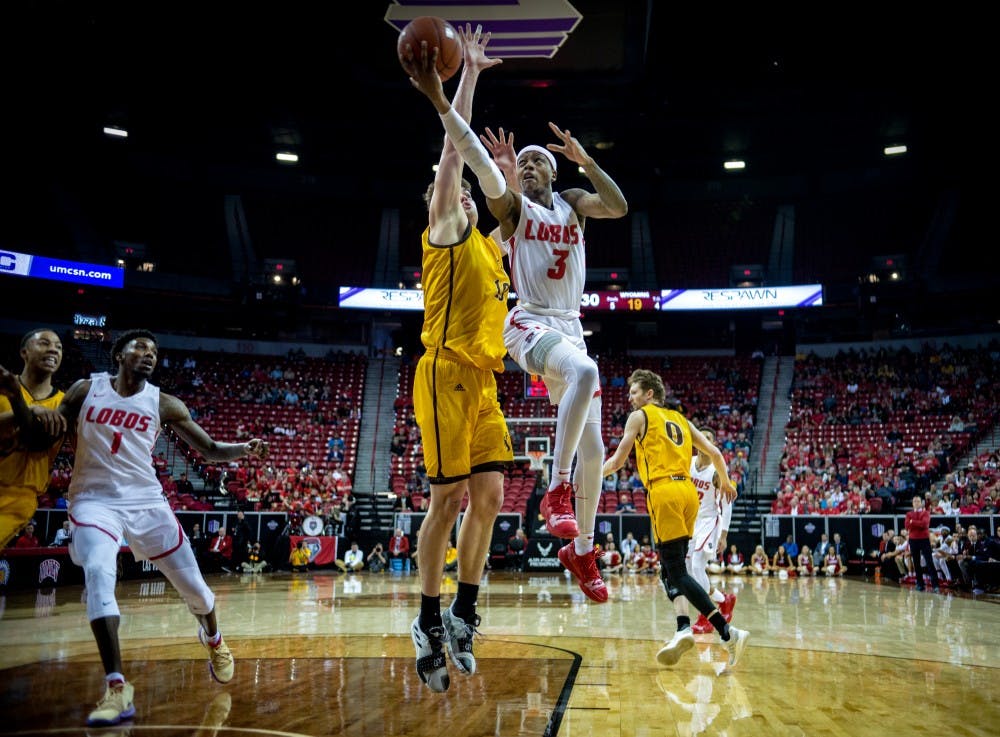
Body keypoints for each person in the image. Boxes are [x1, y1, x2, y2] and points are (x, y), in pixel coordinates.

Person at [404, 27, 628, 609]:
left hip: (570, 324)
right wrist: (449, 100)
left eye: (535, 161)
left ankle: (581, 548)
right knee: (585, 377)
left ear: (554, 171)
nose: (526, 166)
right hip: (528, 323)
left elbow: (620, 205)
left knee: (598, 450)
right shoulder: (512, 208)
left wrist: (586, 161)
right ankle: (555, 490)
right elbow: (470, 158)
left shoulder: (574, 203)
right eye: (520, 163)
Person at [52, 328, 268, 726]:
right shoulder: (85, 390)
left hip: (148, 502)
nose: (149, 355)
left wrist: (244, 449)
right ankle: (117, 687)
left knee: (199, 595)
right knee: (99, 571)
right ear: (118, 354)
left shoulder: (164, 402)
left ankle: (214, 639)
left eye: (154, 351)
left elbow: (209, 450)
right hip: (93, 500)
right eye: (140, 347)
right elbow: (53, 433)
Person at [400, 25, 513, 694]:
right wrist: (465, 75)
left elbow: (511, 204)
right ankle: (425, 619)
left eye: (474, 195)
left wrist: (505, 173)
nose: (468, 195)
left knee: (492, 496)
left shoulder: (492, 246)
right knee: (445, 502)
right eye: (459, 191)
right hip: (442, 373)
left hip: (483, 381)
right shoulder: (444, 230)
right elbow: (453, 150)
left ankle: (464, 611)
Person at [602, 369, 748, 669]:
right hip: (688, 493)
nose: (630, 398)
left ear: (649, 394)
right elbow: (716, 453)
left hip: (664, 491)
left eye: (634, 392)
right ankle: (682, 627)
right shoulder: (682, 419)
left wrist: (588, 476)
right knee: (669, 570)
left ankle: (727, 632)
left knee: (679, 573)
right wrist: (727, 482)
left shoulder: (640, 416)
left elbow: (617, 461)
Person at [0, 329, 67, 549]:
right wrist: (32, 409)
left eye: (58, 346)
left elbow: (36, 441)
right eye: (45, 343)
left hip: (18, 495)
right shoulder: (3, 388)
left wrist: (20, 403)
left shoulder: (64, 403)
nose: (53, 350)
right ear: (24, 352)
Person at [686, 428, 736, 634]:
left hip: (709, 521)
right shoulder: (687, 462)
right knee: (688, 571)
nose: (702, 440)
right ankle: (724, 600)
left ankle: (707, 614)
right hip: (690, 521)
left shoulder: (717, 470)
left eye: (708, 438)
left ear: (713, 443)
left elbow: (727, 503)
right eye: (700, 437)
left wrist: (723, 535)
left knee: (698, 565)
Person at [905, 495, 940, 592]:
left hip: (924, 539)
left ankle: (935, 585)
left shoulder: (926, 513)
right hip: (913, 540)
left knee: (929, 562)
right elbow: (907, 525)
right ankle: (920, 584)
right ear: (912, 503)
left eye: (918, 501)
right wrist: (916, 523)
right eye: (914, 501)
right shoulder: (908, 514)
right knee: (916, 563)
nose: (916, 503)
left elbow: (924, 524)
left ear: (921, 503)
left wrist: (913, 522)